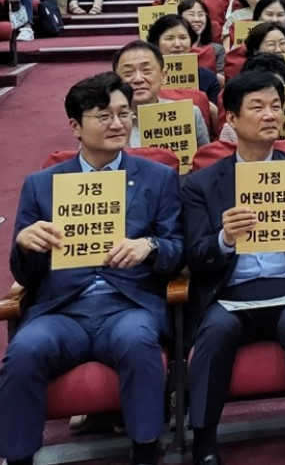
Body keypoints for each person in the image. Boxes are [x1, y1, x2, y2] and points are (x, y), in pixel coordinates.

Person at [0, 73, 183, 465]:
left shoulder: (158, 178)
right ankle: (17, 457)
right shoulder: (41, 185)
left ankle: (146, 451)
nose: (118, 124)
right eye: (104, 116)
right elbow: (25, 274)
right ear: (75, 126)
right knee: (25, 351)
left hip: (128, 306)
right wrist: (25, 246)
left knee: (138, 341)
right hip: (62, 310)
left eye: (124, 113)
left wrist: (150, 246)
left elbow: (177, 250)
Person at [181, 71, 285, 465]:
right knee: (214, 332)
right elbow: (195, 255)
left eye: (276, 107)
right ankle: (204, 443)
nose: (270, 115)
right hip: (230, 293)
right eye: (258, 107)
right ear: (231, 118)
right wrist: (224, 238)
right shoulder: (202, 184)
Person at [113, 40, 211, 148]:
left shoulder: (189, 114)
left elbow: (205, 156)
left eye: (146, 70)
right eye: (128, 73)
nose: (138, 79)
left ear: (163, 76)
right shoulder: (109, 122)